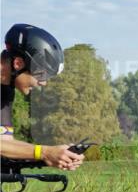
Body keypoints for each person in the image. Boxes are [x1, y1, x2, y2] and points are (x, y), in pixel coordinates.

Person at [0, 23, 83, 170]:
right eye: (41, 75)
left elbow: (4, 143)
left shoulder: (5, 90)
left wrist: (56, 156)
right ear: (18, 63)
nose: (43, 83)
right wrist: (44, 152)